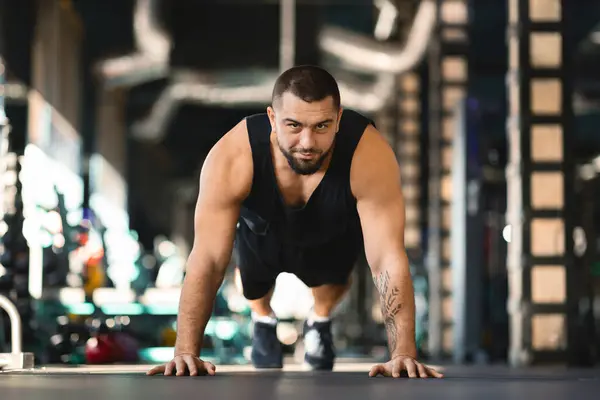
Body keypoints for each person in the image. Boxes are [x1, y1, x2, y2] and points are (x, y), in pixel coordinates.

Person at [147, 65, 443, 379]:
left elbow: (387, 259)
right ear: (273, 119)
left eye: (322, 126)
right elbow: (206, 258)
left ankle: (319, 320)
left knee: (331, 285)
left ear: (339, 119)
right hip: (262, 234)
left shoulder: (368, 154)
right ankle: (262, 319)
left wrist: (403, 354)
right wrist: (185, 352)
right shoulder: (234, 155)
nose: (307, 141)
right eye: (293, 125)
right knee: (254, 284)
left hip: (329, 235)